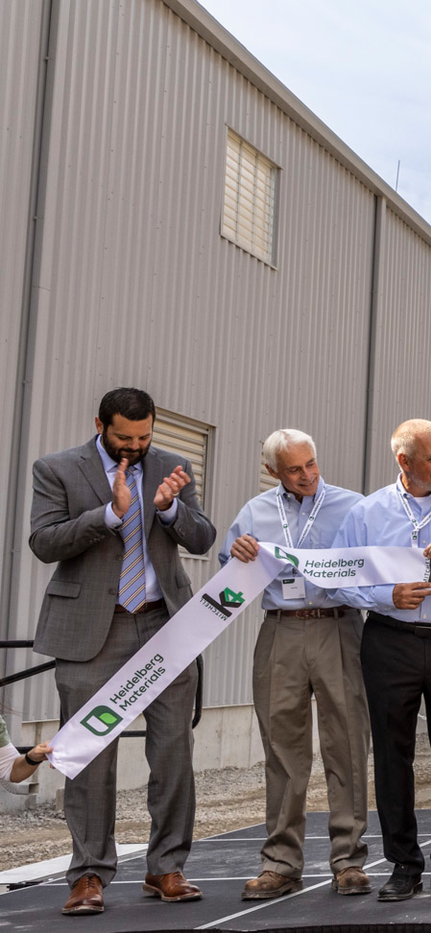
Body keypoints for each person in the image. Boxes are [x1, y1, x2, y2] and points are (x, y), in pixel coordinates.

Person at [28, 387, 216, 916]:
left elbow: (202, 539)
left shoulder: (173, 467)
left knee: (173, 753)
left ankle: (166, 868)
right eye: (123, 437)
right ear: (100, 425)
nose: (134, 447)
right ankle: (89, 874)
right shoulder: (58, 468)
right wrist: (110, 515)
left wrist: (171, 508)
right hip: (93, 631)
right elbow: (44, 543)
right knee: (89, 756)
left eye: (144, 436)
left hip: (164, 627)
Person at [331, 419, 431, 902]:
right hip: (390, 641)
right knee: (392, 754)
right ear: (405, 461)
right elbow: (338, 574)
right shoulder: (367, 512)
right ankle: (403, 864)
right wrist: (384, 595)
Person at [222, 430, 369, 899]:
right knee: (283, 750)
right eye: (294, 469)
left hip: (339, 626)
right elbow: (230, 570)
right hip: (280, 629)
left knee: (346, 743)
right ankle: (281, 864)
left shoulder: (353, 506)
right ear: (272, 472)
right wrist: (239, 555)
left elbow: (374, 562)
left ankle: (348, 860)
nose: (307, 475)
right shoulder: (254, 512)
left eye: (311, 464)